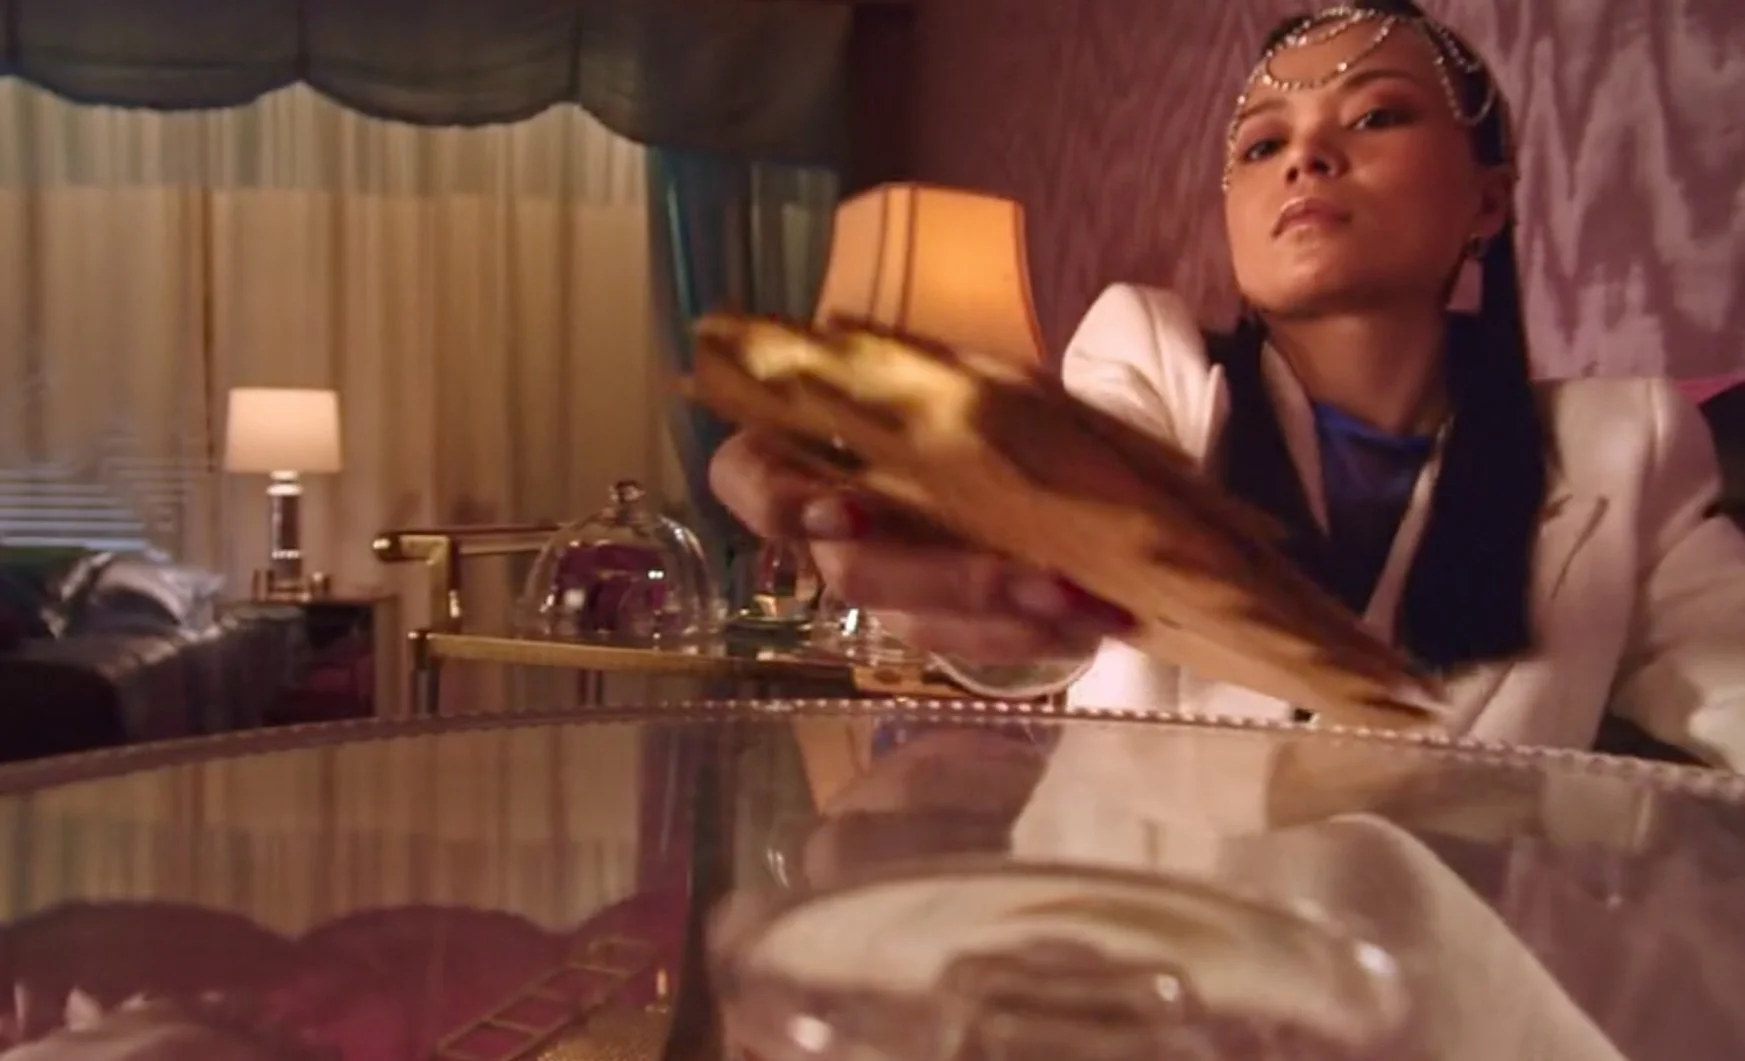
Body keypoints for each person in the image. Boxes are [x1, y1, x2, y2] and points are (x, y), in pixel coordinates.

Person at [708, 0, 1745, 770]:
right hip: (1143, 961)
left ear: (1486, 200)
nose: (1307, 157)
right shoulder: (1150, 361)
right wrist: (919, 510)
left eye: (1375, 117)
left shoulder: (1621, 444)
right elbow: (1056, 528)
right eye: (1262, 142)